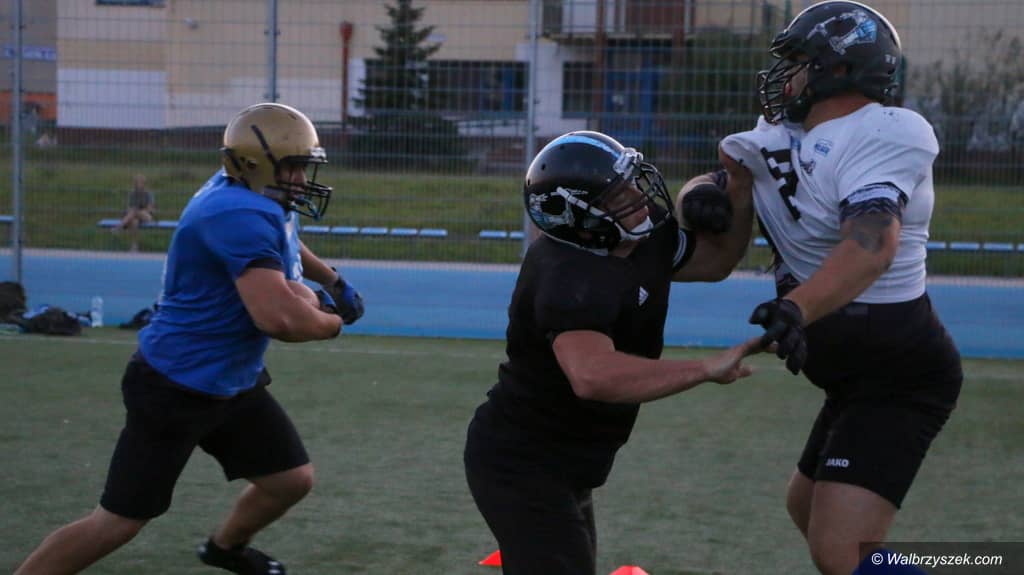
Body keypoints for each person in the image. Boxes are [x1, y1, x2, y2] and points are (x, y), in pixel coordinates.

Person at [15, 102, 365, 575]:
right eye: (293, 167)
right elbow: (278, 319)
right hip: (177, 384)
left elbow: (282, 236)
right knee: (117, 522)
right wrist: (331, 320)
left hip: (230, 378)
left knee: (290, 480)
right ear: (256, 165)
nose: (302, 180)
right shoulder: (237, 212)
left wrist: (332, 280)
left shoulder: (252, 190)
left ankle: (224, 549)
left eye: (304, 166)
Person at [718, 3, 963, 574]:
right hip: (854, 376)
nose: (785, 75)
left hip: (897, 375)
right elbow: (726, 184)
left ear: (840, 69)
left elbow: (872, 242)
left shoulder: (885, 130)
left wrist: (795, 308)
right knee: (806, 509)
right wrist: (703, 196)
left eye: (798, 61)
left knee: (843, 551)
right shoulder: (781, 135)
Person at [463, 130, 767, 575]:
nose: (638, 198)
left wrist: (738, 188)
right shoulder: (569, 274)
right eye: (618, 195)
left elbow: (715, 261)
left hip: (568, 459)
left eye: (631, 183)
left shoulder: (635, 234)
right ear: (578, 215)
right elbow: (593, 376)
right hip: (523, 463)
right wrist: (704, 368)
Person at [112, 173, 156, 252]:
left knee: (134, 212)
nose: (139, 185)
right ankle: (134, 245)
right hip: (133, 217)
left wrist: (138, 211)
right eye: (137, 183)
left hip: (146, 216)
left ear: (144, 184)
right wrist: (135, 211)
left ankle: (119, 227)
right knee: (134, 222)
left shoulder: (149, 194)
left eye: (140, 183)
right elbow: (129, 208)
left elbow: (149, 209)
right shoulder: (132, 194)